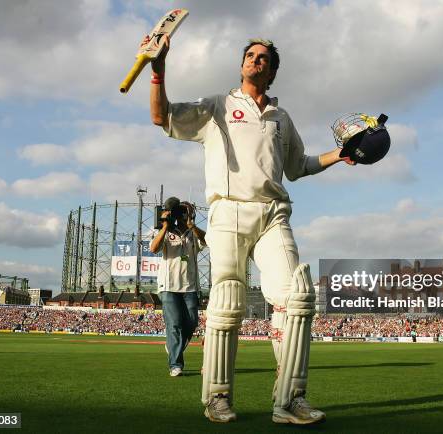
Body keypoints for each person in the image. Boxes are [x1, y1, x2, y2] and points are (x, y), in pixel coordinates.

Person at [148, 35, 355, 424]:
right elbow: (164, 118)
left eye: (263, 59)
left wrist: (339, 156)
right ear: (242, 64)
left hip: (273, 213)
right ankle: (218, 397)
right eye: (250, 56)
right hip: (228, 211)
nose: (255, 61)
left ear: (273, 71)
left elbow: (299, 166)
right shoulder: (218, 106)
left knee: (297, 296)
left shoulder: (281, 118)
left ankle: (290, 400)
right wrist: (158, 70)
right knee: (227, 300)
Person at [150, 197, 206, 377]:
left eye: (186, 213)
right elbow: (153, 248)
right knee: (174, 325)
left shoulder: (193, 233)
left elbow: (206, 240)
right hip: (168, 286)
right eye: (180, 213)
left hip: (189, 286)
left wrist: (192, 227)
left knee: (191, 323)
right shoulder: (166, 231)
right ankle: (175, 364)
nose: (182, 216)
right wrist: (165, 226)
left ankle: (174, 346)